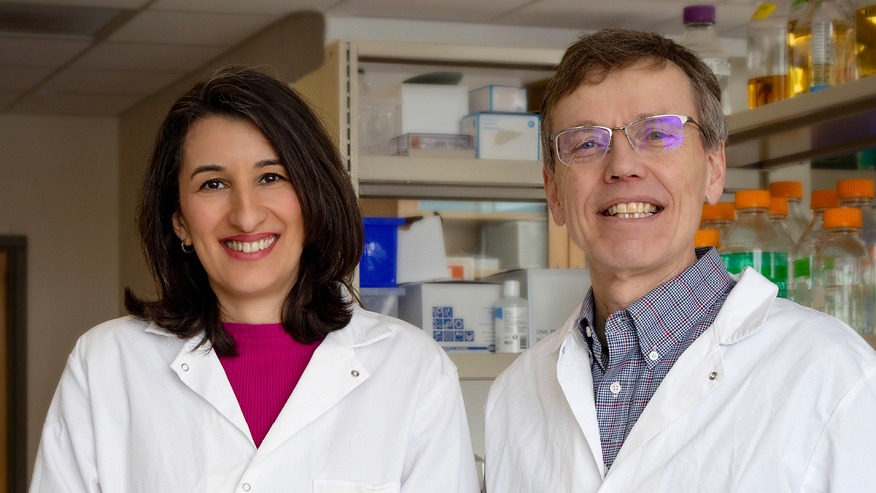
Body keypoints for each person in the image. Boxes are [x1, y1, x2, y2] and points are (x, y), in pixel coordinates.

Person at [30, 66, 480, 492]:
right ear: (180, 221)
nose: (246, 216)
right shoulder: (107, 364)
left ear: (313, 199)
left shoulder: (411, 368)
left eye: (270, 177)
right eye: (213, 184)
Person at [485, 27, 876, 491]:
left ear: (714, 168)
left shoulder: (833, 374)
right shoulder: (515, 395)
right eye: (586, 143)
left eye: (657, 133)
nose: (622, 165)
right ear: (554, 192)